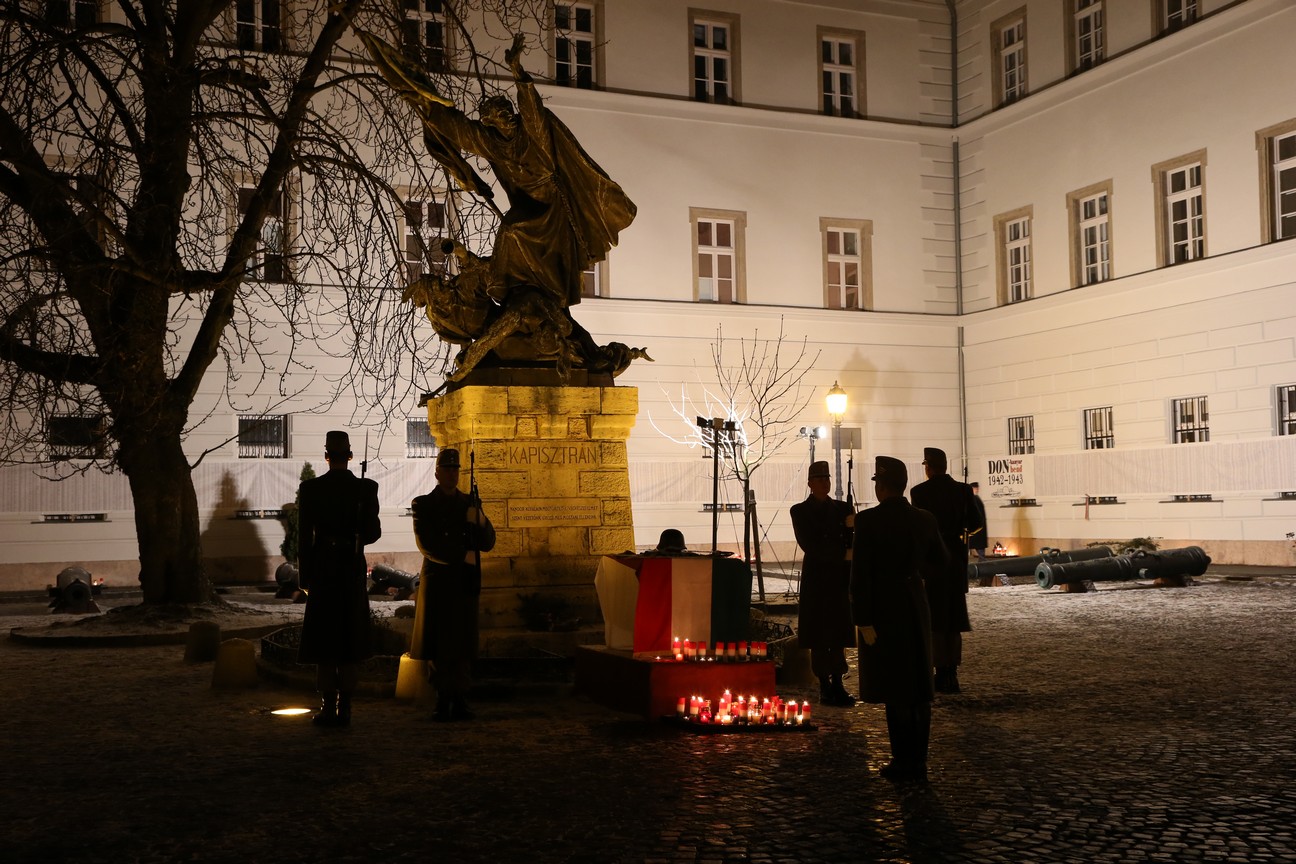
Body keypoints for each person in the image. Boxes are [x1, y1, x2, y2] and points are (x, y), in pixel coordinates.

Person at [851, 456, 947, 782]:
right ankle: (918, 761)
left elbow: (859, 575)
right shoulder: (925, 519)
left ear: (881, 485)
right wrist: (915, 577)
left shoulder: (868, 521)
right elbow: (941, 562)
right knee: (919, 688)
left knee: (895, 689)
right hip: (915, 605)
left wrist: (862, 618)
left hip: (884, 609)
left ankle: (902, 761)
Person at [296, 430, 382, 727]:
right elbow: (373, 534)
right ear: (349, 456)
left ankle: (328, 705)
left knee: (325, 638)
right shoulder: (366, 488)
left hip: (323, 568)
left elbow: (304, 538)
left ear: (326, 456)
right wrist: (360, 520)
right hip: (350, 568)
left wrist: (304, 577)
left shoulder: (310, 490)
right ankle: (345, 706)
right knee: (349, 636)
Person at [410, 448, 496, 722]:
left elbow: (488, 542)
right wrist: (462, 555)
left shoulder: (468, 503)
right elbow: (428, 544)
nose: (451, 473)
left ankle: (459, 697)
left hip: (463, 582)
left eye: (454, 469)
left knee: (461, 644)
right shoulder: (423, 504)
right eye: (446, 469)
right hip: (439, 581)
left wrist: (479, 520)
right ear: (437, 473)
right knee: (439, 645)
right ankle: (441, 698)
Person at [909, 447, 982, 694]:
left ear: (928, 467)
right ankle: (952, 673)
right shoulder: (963, 491)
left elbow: (919, 527)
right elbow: (975, 525)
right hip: (956, 560)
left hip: (931, 560)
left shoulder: (919, 492)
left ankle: (940, 672)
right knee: (954, 619)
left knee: (935, 620)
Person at [790, 460, 858, 707]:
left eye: (827, 478)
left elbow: (851, 540)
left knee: (839, 632)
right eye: (819, 479)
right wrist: (841, 552)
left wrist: (852, 530)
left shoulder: (842, 508)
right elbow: (810, 544)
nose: (824, 483)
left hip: (839, 578)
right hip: (818, 578)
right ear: (809, 483)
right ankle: (824, 685)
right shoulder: (799, 511)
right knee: (819, 635)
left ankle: (838, 681)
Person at [968, 482, 988, 562]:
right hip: (977, 527)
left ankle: (982, 561)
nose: (977, 489)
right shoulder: (974, 499)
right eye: (976, 488)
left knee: (977, 546)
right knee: (978, 546)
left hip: (977, 527)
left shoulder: (974, 498)